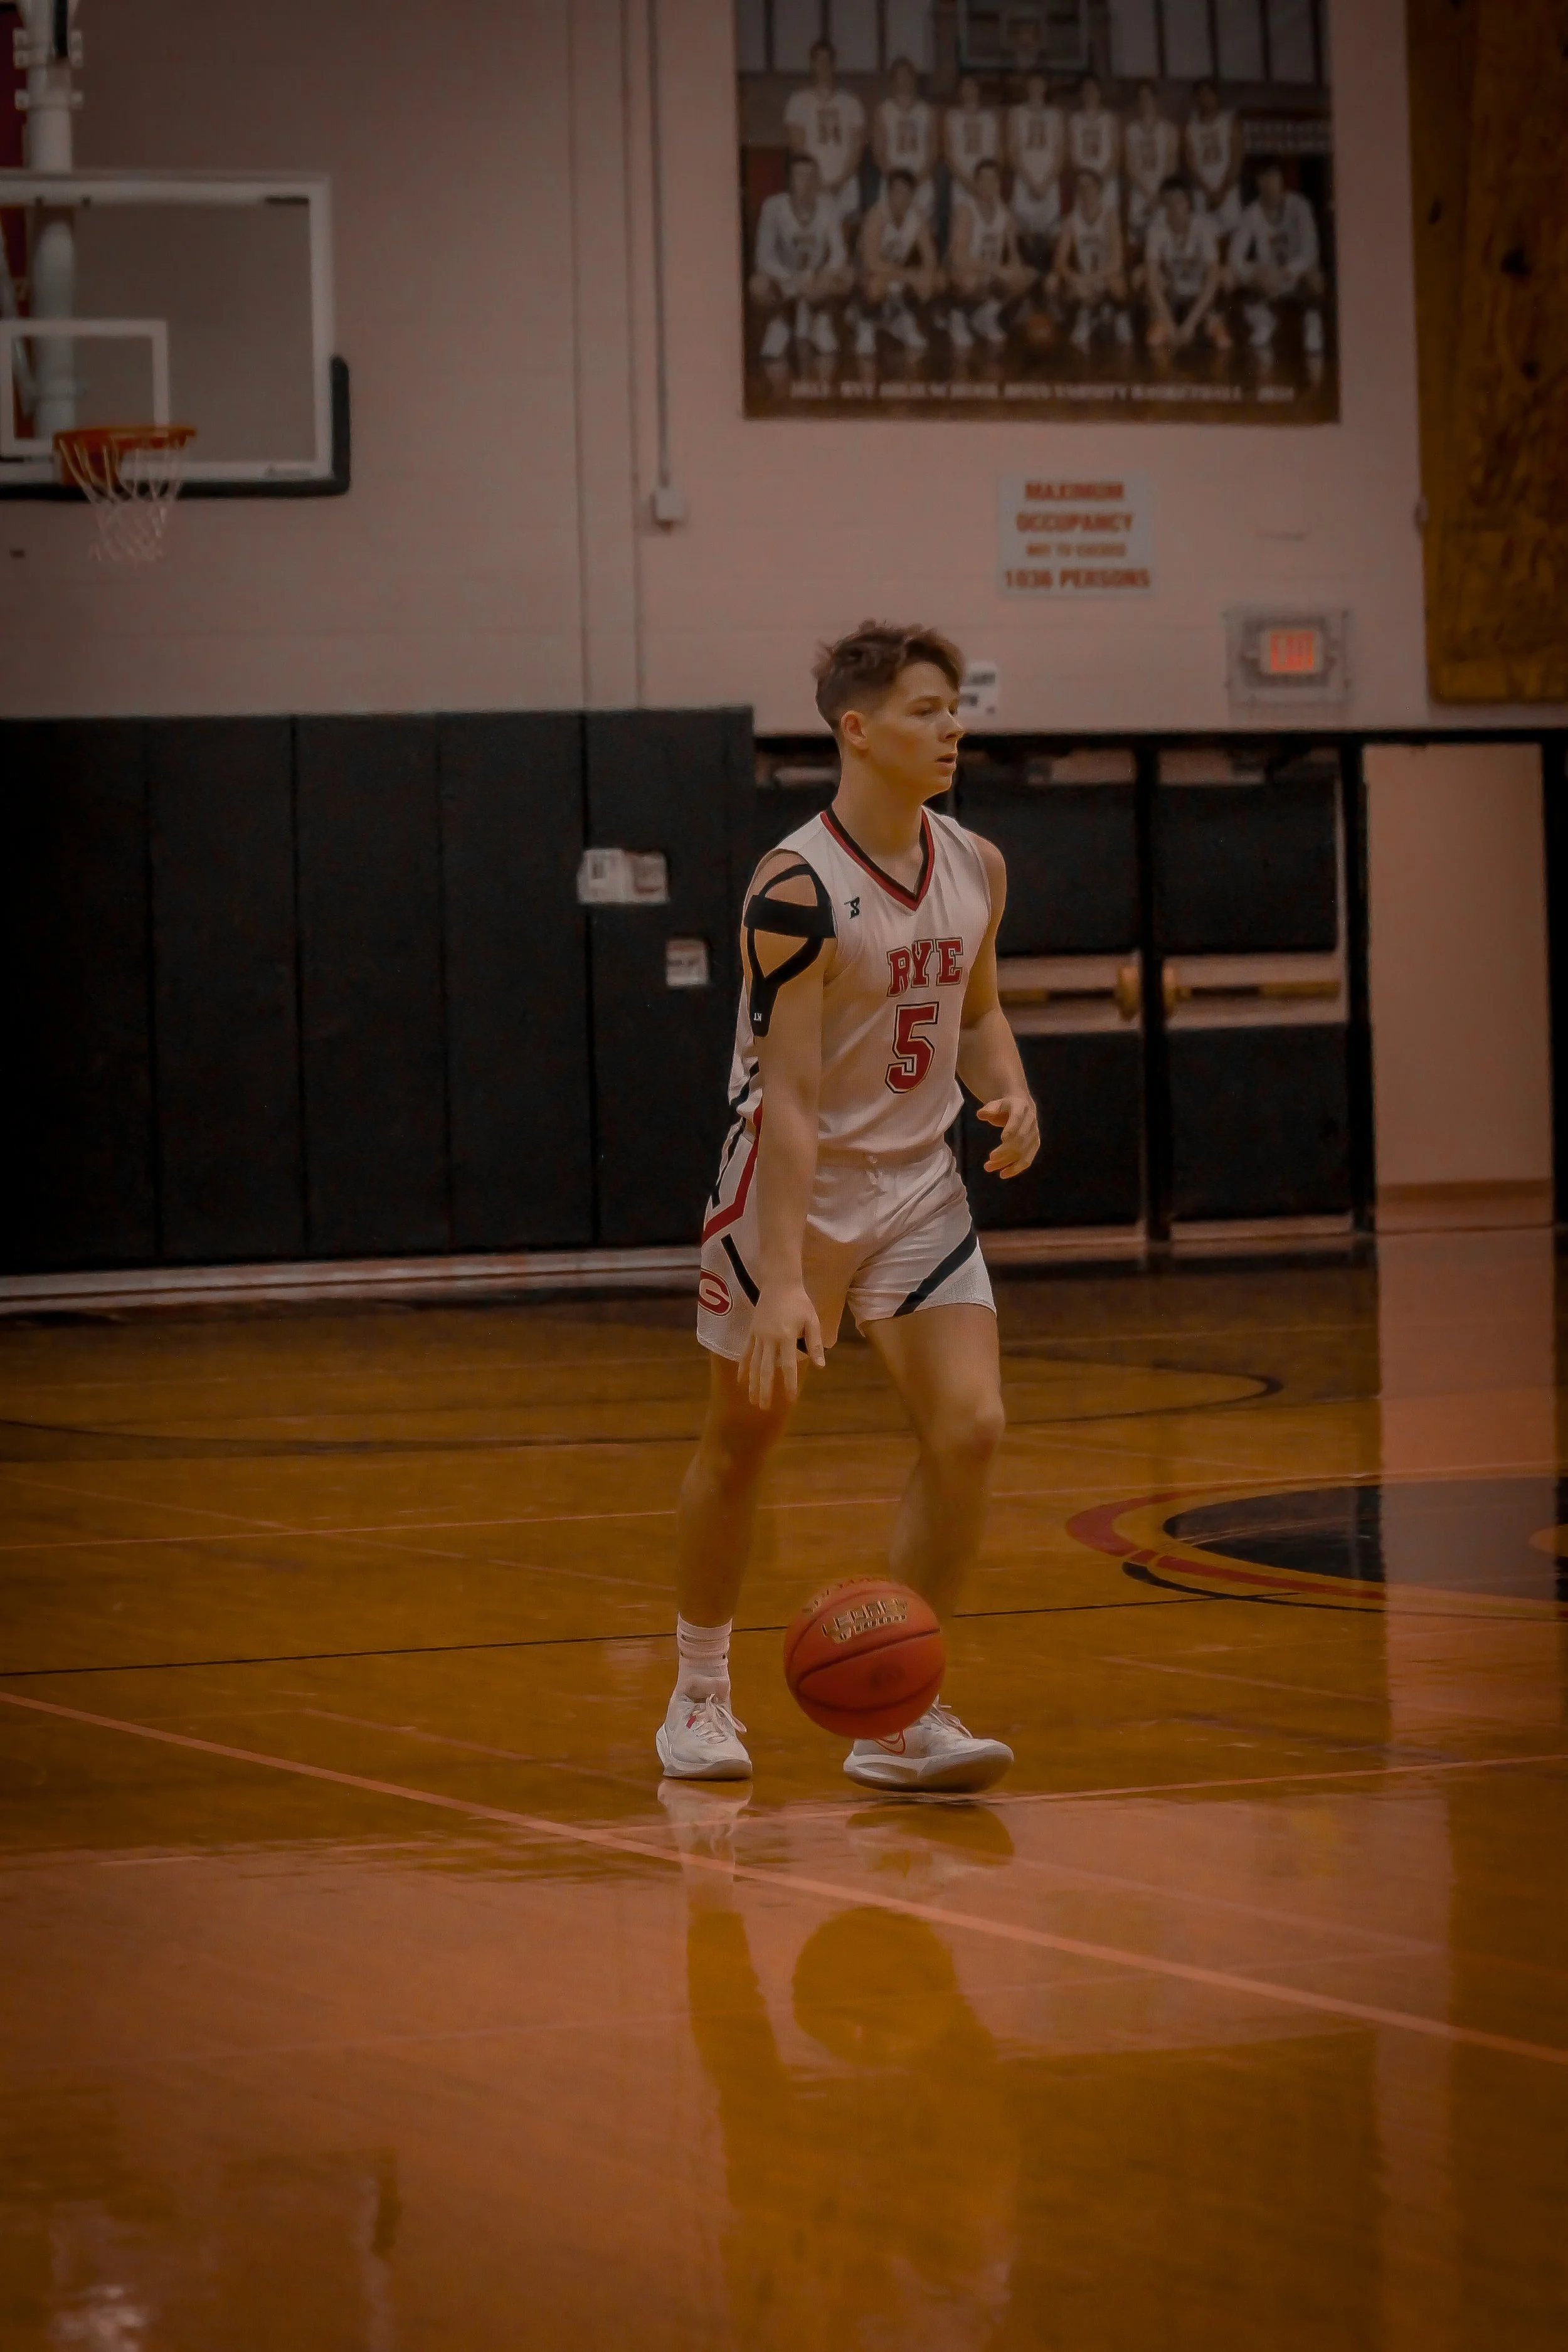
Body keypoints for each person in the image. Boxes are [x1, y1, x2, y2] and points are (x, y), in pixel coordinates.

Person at [658, 622, 1039, 1793]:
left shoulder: (977, 864)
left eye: (956, 707)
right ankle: (698, 1694)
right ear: (858, 730)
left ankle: (897, 1711)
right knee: (743, 1441)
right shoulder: (794, 890)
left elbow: (976, 1008)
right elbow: (790, 1103)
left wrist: (1011, 1087)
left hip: (920, 1185)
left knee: (971, 1427)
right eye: (927, 709)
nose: (953, 727)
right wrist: (782, 1280)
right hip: (795, 1186)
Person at [750, 152, 855, 361]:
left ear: (819, 180)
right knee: (758, 285)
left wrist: (821, 276)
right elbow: (764, 257)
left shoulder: (829, 206)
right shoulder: (773, 207)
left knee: (847, 277)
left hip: (816, 278)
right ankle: (780, 323)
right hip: (785, 277)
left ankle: (820, 319)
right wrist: (792, 279)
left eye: (812, 176)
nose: (806, 183)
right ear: (790, 180)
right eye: (800, 176)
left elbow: (839, 253)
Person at [1229, 159, 1326, 354]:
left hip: (1294, 274)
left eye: (1275, 177)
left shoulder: (1300, 206)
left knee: (1315, 277)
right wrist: (1255, 272)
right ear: (1258, 182)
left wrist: (1287, 272)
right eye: (1265, 178)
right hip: (1268, 277)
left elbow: (1310, 251)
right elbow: (1235, 256)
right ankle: (1262, 321)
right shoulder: (1251, 214)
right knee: (1230, 277)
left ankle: (1313, 325)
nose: (1271, 183)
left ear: (1282, 180)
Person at [946, 157, 1035, 348]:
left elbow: (1014, 254)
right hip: (965, 271)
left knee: (1026, 276)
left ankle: (986, 315)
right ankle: (957, 318)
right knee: (970, 281)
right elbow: (958, 258)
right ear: (976, 183)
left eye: (993, 180)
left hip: (989, 271)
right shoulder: (966, 211)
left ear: (998, 184)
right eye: (983, 179)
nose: (988, 184)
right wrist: (997, 270)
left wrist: (1015, 272)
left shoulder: (1005, 214)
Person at [856, 167, 943, 356]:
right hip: (868, 273)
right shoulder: (877, 215)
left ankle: (903, 319)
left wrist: (925, 275)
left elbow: (930, 257)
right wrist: (909, 276)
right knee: (877, 286)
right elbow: (871, 263)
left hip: (896, 271)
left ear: (912, 195)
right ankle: (865, 323)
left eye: (906, 193)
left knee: (936, 281)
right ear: (888, 193)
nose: (901, 197)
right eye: (897, 192)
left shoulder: (917, 217)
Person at [785, 38, 867, 228]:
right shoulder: (798, 101)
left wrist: (840, 182)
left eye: (828, 60)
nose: (824, 66)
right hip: (811, 182)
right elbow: (797, 148)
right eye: (819, 60)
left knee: (844, 233)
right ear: (812, 64)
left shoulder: (851, 102)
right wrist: (816, 182)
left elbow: (857, 148)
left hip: (844, 182)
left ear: (834, 64)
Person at [1142, 176, 1231, 350]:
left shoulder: (1204, 226)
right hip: (1173, 291)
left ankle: (1213, 320)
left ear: (1189, 202)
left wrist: (1190, 325)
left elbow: (1213, 275)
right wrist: (1169, 325)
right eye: (1168, 202)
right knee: (1144, 274)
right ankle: (1160, 320)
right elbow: (1152, 279)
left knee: (1224, 275)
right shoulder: (1156, 229)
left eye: (1179, 201)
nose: (1174, 207)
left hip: (1198, 290)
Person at [1048, 165, 1130, 352]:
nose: (1086, 191)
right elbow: (1059, 261)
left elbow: (1117, 262)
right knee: (1053, 282)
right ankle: (1085, 316)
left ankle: (1120, 316)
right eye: (1081, 187)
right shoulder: (1071, 220)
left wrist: (1088, 279)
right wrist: (1075, 278)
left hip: (1105, 275)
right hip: (1084, 275)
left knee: (1117, 285)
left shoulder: (1110, 217)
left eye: (1090, 186)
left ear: (1099, 189)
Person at [1005, 68, 1066, 267]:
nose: (1036, 88)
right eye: (1032, 84)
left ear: (1046, 87)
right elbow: (1013, 152)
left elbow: (1060, 153)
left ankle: (1048, 273)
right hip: (1025, 179)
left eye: (1040, 84)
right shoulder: (1016, 113)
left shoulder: (1055, 114)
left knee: (1051, 232)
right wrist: (1030, 182)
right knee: (1023, 230)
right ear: (1027, 87)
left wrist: (1046, 182)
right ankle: (1024, 271)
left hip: (1049, 179)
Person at [872, 54, 937, 218]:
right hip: (892, 180)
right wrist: (897, 182)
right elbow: (879, 152)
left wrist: (917, 180)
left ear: (914, 79)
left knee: (922, 225)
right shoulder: (884, 110)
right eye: (900, 75)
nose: (904, 80)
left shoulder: (927, 111)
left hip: (921, 180)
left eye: (908, 75)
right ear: (893, 80)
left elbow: (933, 150)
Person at [1122, 80, 1180, 252]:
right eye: (1141, 98)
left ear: (1155, 99)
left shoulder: (1168, 129)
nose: (1145, 102)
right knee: (1136, 240)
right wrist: (1147, 194)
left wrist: (1158, 195)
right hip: (1140, 191)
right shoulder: (1130, 130)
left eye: (1148, 97)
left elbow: (1172, 165)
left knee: (1165, 239)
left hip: (1162, 192)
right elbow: (1129, 166)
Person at [1184, 78, 1244, 236]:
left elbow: (1237, 158)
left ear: (1216, 96)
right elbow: (1190, 164)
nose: (1206, 99)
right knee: (1204, 235)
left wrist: (1222, 191)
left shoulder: (1229, 120)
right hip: (1203, 193)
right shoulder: (1190, 127)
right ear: (1196, 98)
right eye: (1201, 94)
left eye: (1209, 94)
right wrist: (1208, 193)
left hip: (1227, 190)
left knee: (1234, 234)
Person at [1066, 73, 1121, 217]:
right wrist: (1087, 182)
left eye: (1093, 90)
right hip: (1083, 183)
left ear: (1099, 93)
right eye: (1086, 90)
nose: (1090, 94)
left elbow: (1116, 154)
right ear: (1081, 93)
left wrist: (1101, 180)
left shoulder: (1110, 119)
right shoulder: (1074, 120)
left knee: (1108, 219)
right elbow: (1072, 155)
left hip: (1106, 181)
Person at [943, 73, 1001, 204]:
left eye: (972, 86)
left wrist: (988, 180)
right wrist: (967, 183)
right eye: (964, 86)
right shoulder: (952, 117)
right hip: (961, 182)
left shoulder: (990, 118)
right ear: (959, 90)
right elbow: (948, 154)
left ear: (978, 88)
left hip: (987, 182)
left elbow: (998, 152)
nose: (968, 90)